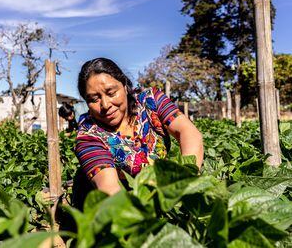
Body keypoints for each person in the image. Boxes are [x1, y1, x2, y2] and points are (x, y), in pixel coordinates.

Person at [74, 58, 204, 200]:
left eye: (111, 93)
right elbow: (109, 188)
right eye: (94, 99)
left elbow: (189, 133)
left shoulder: (150, 100)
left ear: (124, 85)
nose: (105, 104)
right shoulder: (88, 135)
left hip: (166, 190)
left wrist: (185, 183)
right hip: (132, 202)